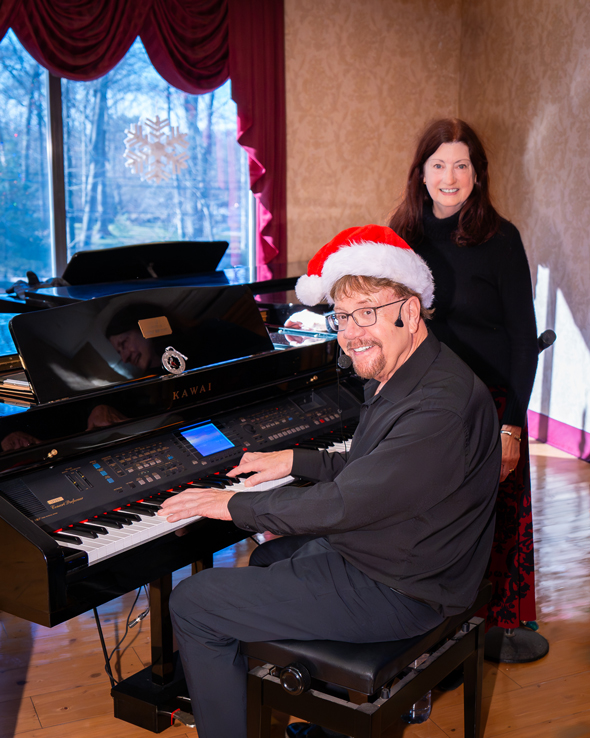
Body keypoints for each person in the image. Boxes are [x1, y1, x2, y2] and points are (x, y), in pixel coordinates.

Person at [158, 224, 501, 738]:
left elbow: (345, 505)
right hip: (412, 555)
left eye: (368, 313)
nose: (351, 333)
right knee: (273, 555)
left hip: (406, 589)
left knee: (193, 601)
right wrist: (295, 460)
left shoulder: (435, 406)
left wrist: (231, 505)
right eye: (343, 316)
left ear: (410, 311)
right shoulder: (415, 373)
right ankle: (331, 727)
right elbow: (380, 475)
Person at [388, 118, 538, 633]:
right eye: (438, 164)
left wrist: (513, 426)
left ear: (477, 173)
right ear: (421, 173)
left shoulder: (502, 239)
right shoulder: (400, 236)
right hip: (426, 400)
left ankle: (494, 625)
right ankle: (426, 623)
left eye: (461, 164)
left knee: (489, 520)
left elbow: (524, 338)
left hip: (490, 402)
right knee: (428, 517)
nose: (450, 176)